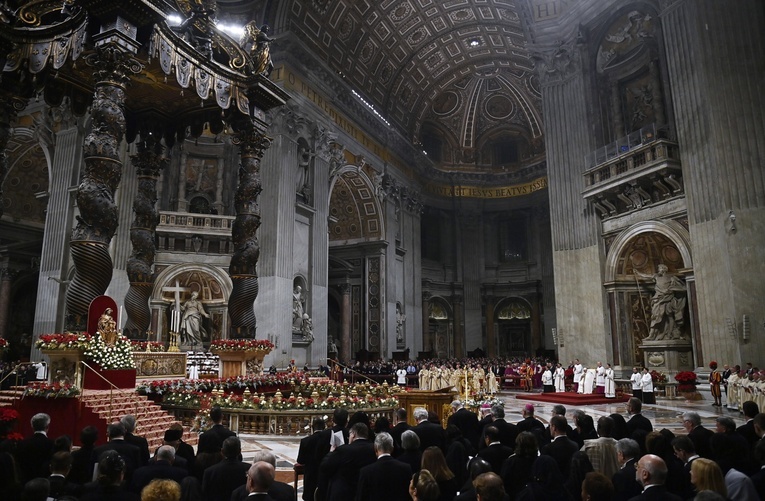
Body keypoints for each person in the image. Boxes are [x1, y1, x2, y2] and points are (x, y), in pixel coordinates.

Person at [635, 264, 687, 340]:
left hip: (668, 298)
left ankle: (669, 334)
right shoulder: (656, 276)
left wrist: (671, 289)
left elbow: (682, 287)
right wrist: (638, 273)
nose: (658, 270)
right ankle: (651, 335)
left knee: (669, 316)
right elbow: (646, 276)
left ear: (663, 269)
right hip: (658, 299)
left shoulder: (671, 277)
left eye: (659, 268)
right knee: (655, 317)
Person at [356, 432, 412, 501]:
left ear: (375, 448)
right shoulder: (406, 468)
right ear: (392, 448)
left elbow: (361, 498)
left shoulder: (366, 472)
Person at [201, 437, 249, 501]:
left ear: (222, 451)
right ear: (239, 451)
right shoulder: (249, 469)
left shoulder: (210, 472)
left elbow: (205, 495)